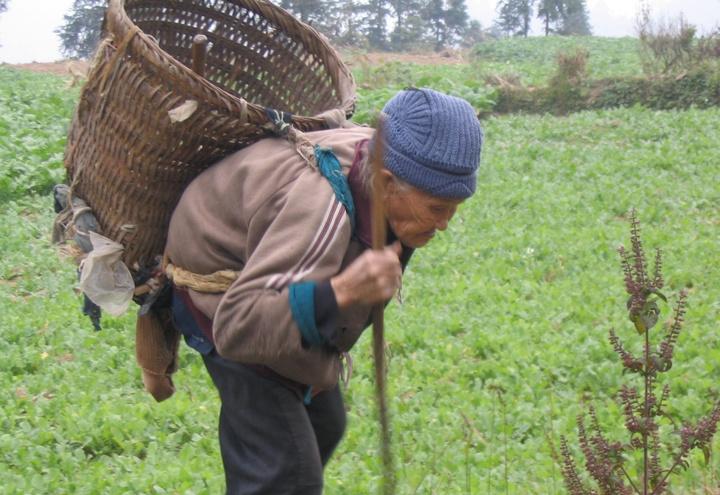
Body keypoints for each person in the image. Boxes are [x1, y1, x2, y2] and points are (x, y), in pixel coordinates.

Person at [164, 87, 483, 494]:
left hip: (280, 283)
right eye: (438, 209)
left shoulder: (398, 177)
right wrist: (340, 292)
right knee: (286, 471)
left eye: (454, 209)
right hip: (224, 290)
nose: (444, 225)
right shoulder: (320, 209)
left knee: (323, 425)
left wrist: (332, 325)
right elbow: (238, 327)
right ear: (387, 184)